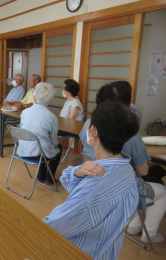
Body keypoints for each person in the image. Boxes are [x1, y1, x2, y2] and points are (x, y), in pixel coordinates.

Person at [44, 101, 140, 260]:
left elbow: (52, 227)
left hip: (80, 252)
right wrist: (77, 172)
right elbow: (68, 181)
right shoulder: (127, 169)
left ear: (93, 131)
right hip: (107, 251)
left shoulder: (94, 186)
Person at [80, 83, 166, 244]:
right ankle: (149, 234)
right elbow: (142, 172)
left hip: (92, 181)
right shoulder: (131, 136)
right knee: (159, 189)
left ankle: (134, 224)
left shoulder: (88, 124)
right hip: (119, 186)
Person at [17, 82, 62, 185]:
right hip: (38, 154)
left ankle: (40, 177)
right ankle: (49, 178)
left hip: (23, 150)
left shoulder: (24, 112)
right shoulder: (51, 117)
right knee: (57, 147)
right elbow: (54, 141)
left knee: (41, 143)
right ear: (49, 100)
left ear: (34, 97)